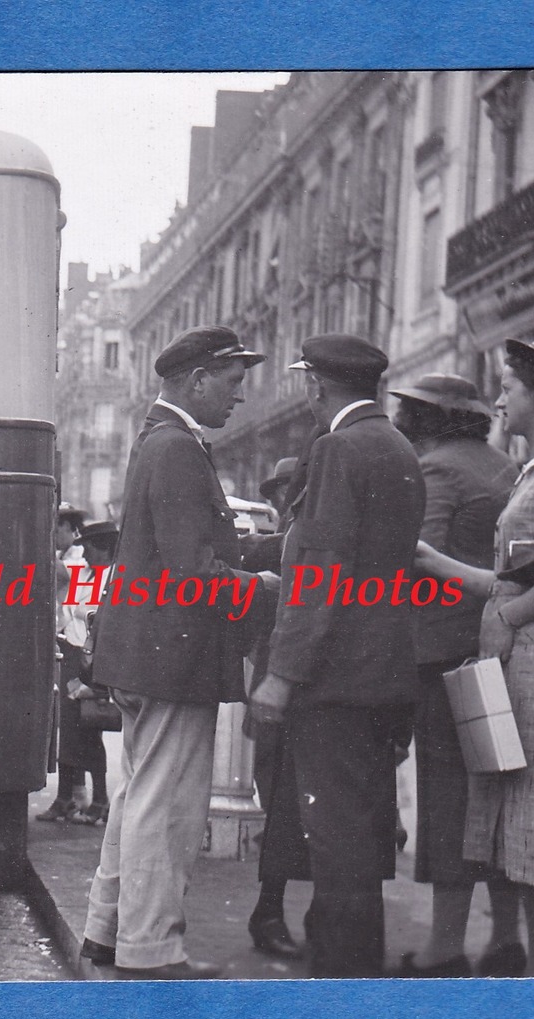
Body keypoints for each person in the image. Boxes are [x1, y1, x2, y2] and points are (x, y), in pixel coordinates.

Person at [80, 325, 271, 979]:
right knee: (165, 805)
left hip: (142, 649)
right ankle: (150, 948)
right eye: (231, 382)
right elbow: (192, 571)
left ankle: (108, 931)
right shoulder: (179, 450)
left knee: (135, 795)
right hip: (172, 652)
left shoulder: (156, 442)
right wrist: (261, 587)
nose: (238, 398)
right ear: (196, 381)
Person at [248, 334, 426, 978]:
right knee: (364, 829)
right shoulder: (399, 447)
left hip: (335, 679)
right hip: (384, 674)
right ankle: (349, 964)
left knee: (337, 840)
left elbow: (319, 572)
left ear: (315, 386)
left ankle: (343, 980)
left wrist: (282, 675)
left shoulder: (337, 449)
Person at [415, 339, 534, 977]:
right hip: (529, 682)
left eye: (508, 386)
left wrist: (508, 619)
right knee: (532, 856)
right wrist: (436, 563)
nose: (498, 399)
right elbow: (512, 580)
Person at [389, 374, 524, 977]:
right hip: (500, 648)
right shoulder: (503, 465)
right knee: (498, 793)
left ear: (431, 419)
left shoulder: (435, 470)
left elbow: (416, 560)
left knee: (446, 801)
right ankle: (506, 940)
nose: (402, 423)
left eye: (410, 412)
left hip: (441, 658)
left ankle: (444, 949)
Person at [239, 455, 310, 959]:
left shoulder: (296, 532)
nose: (284, 497)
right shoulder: (282, 537)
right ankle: (269, 909)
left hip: (306, 685)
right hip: (277, 684)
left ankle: (278, 910)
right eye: (282, 489)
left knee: (296, 804)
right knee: (280, 801)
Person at [42, 520, 119, 825]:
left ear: (104, 549)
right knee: (71, 730)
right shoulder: (83, 575)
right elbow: (67, 611)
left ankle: (99, 799)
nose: (84, 552)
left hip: (94, 663)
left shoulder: (115, 579)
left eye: (89, 548)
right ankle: (67, 798)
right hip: (73, 657)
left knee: (89, 728)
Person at [37, 504, 94, 822]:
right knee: (72, 727)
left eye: (57, 530)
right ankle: (74, 793)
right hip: (68, 643)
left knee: (74, 725)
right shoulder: (73, 559)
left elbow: (69, 601)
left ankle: (69, 797)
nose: (55, 536)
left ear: (71, 530)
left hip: (75, 647)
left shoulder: (77, 561)